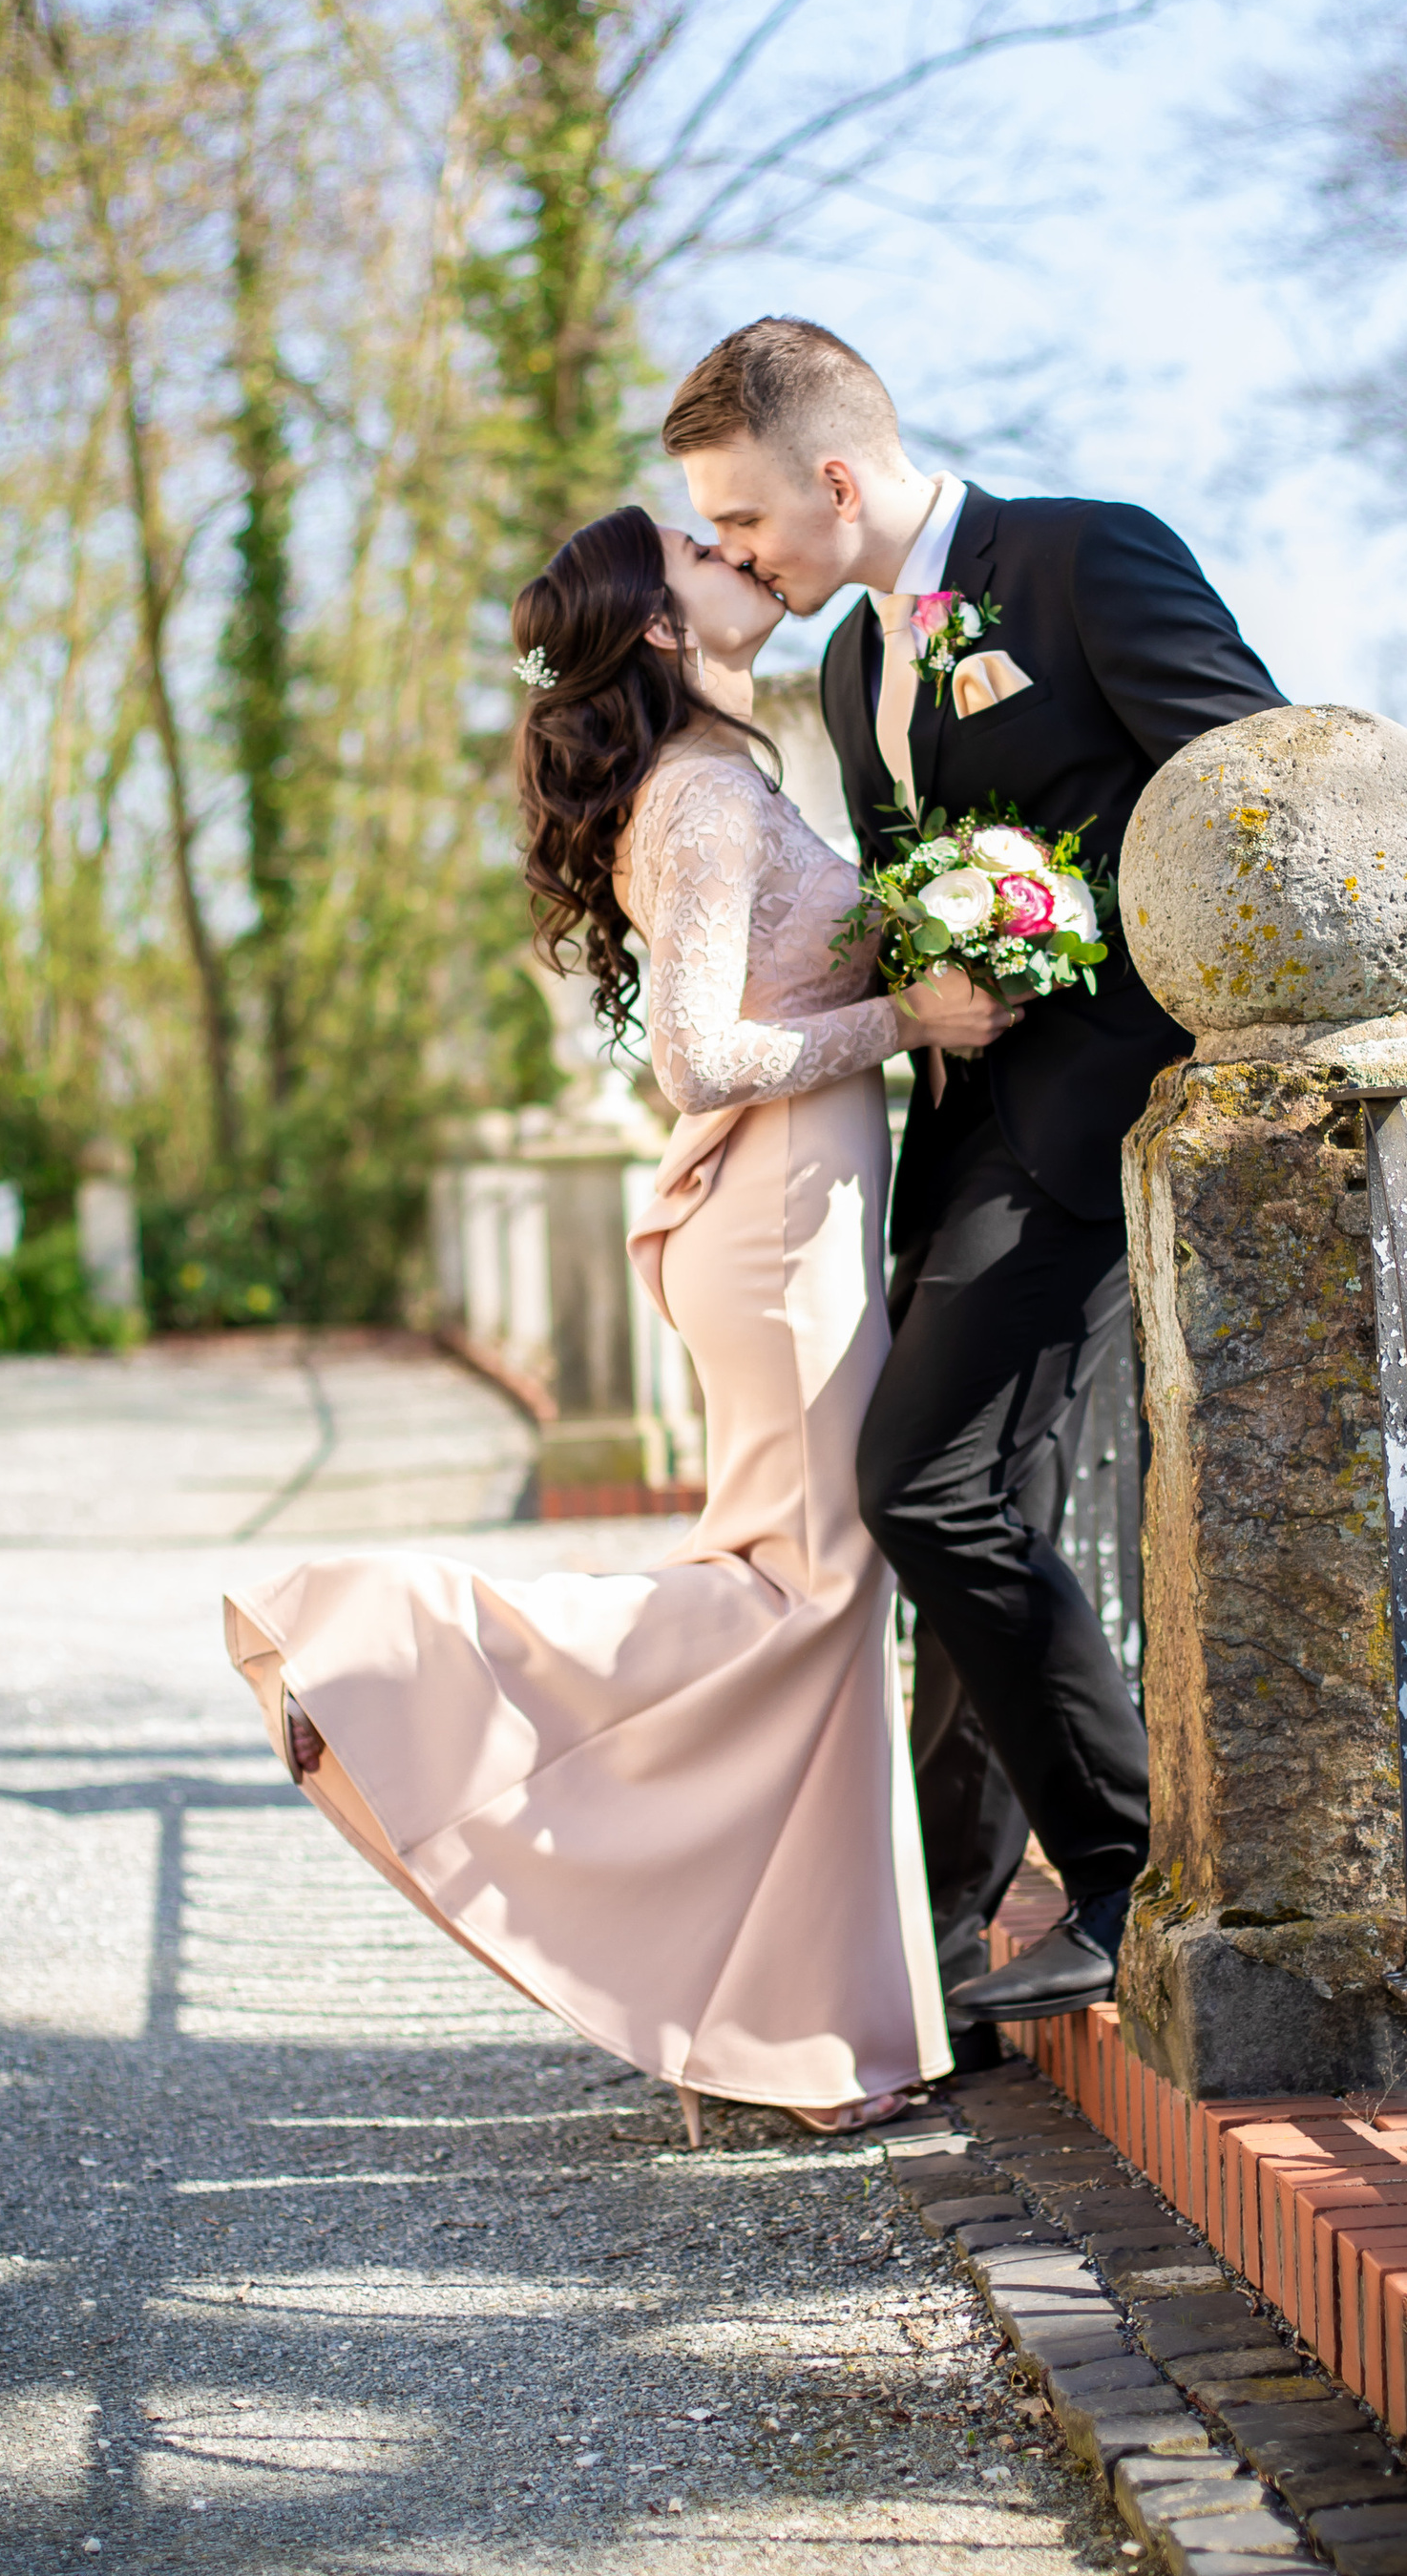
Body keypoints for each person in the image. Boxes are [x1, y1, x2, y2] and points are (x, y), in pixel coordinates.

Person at [222, 502, 1011, 2135]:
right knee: (801, 1589)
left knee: (807, 1593)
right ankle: (386, 1652)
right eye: (709, 552)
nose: (749, 556)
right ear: (660, 622)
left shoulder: (725, 773)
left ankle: (794, 2035)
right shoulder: (708, 798)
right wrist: (907, 1013)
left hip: (789, 1208)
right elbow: (698, 1059)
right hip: (781, 1208)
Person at [663, 320, 1286, 2044]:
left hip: (1108, 1120)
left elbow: (1252, 793)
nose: (734, 558)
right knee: (958, 1507)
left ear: (838, 480)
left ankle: (1119, 1870)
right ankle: (938, 1939)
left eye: (744, 524)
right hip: (962, 1134)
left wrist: (1131, 1000)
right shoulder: (853, 669)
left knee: (921, 1484)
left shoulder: (1087, 557)